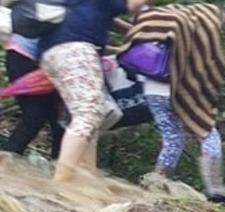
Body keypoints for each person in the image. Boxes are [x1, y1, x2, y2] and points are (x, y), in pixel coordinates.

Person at [119, 4, 225, 202]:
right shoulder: (197, 43)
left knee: (172, 137)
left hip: (153, 93)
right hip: (181, 93)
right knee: (208, 133)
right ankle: (214, 186)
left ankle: (158, 181)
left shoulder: (157, 33)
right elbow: (200, 72)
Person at [38, 0, 151, 181]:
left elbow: (112, 21)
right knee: (88, 114)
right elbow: (133, 5)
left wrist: (134, 37)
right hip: (76, 51)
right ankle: (61, 182)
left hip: (57, 53)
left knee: (92, 117)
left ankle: (86, 178)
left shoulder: (88, 7)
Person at [3, 34, 63, 157]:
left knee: (59, 120)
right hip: (32, 58)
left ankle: (61, 169)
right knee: (36, 117)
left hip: (23, 54)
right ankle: (5, 163)